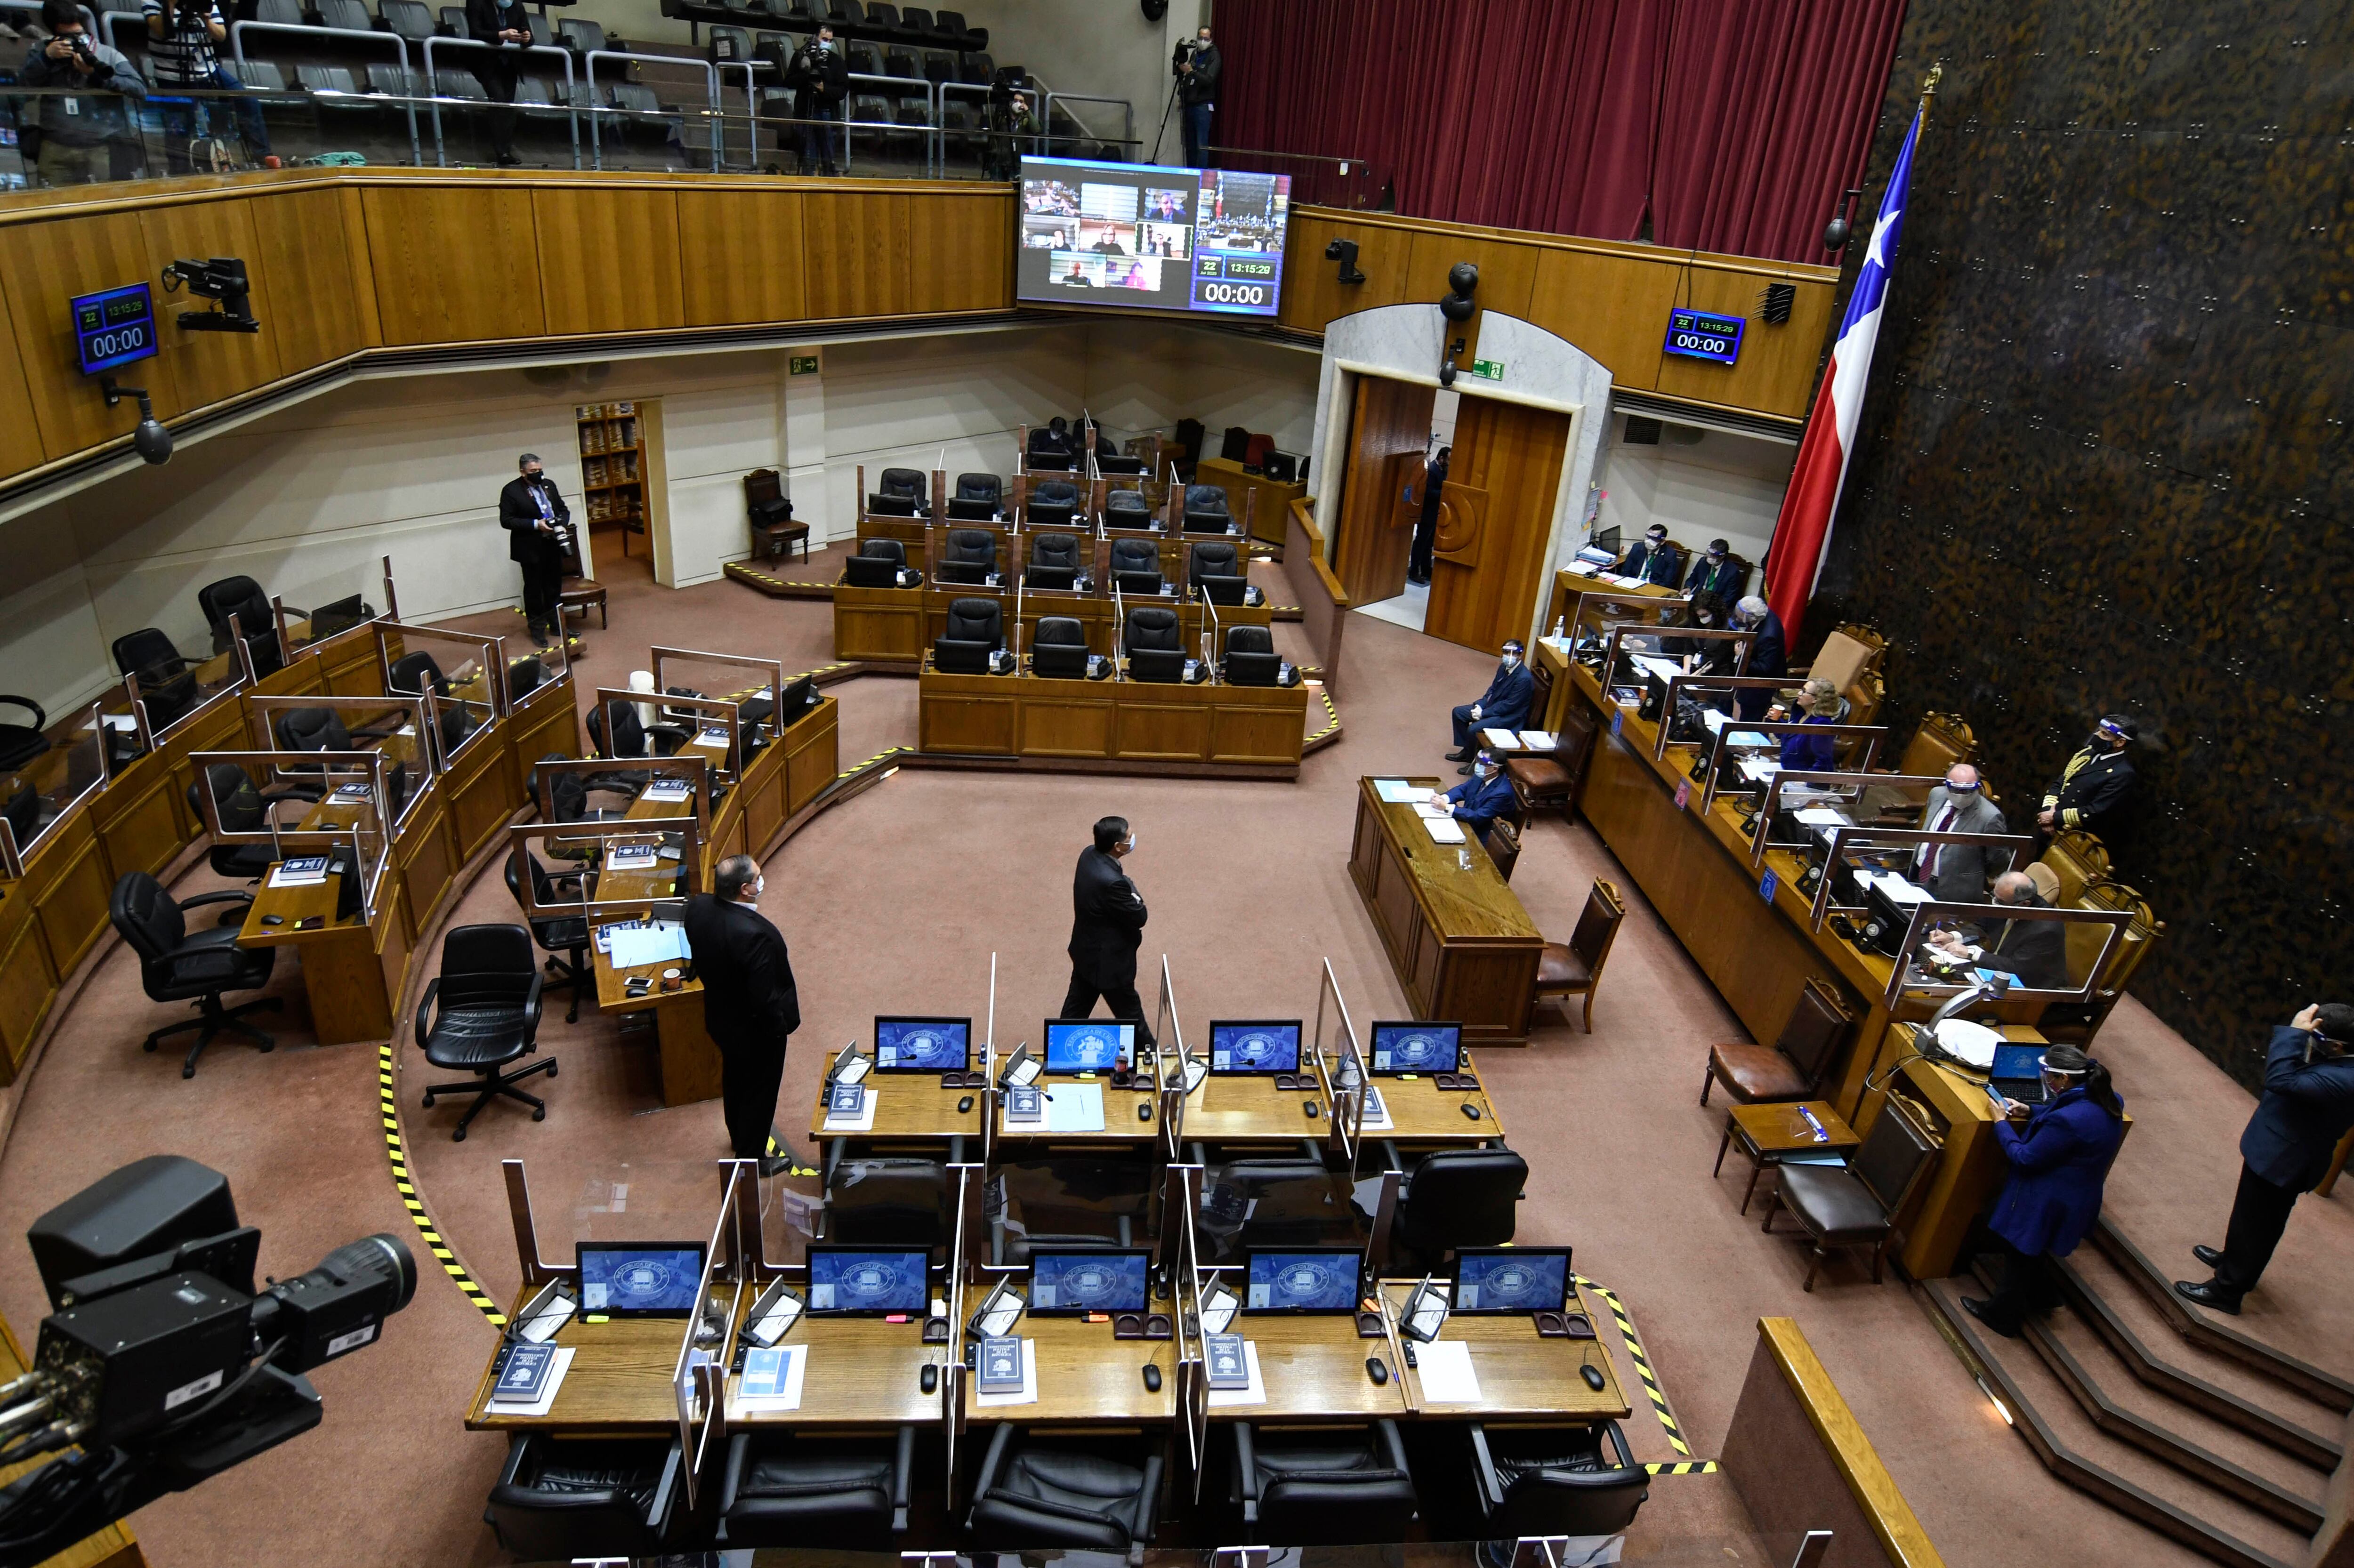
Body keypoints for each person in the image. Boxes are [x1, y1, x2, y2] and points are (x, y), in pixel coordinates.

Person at [2174, 1005, 2354, 1314]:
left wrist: (2296, 1034)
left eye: (2316, 1035)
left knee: (2259, 1225)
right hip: (2277, 1149)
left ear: (2337, 1045)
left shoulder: (2348, 1079)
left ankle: (2227, 1291)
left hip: (2287, 1160)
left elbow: (2281, 1080)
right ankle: (2234, 1261)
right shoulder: (2339, 1058)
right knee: (2250, 1216)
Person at [1960, 1043, 2126, 1337]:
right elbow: (2068, 1113)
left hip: (2048, 1197)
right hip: (2079, 1193)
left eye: (2049, 1075)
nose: (2046, 1081)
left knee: (2021, 1251)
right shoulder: (2108, 1098)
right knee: (2026, 1244)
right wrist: (2032, 1108)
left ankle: (2002, 1317)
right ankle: (2044, 1296)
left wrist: (2001, 1123)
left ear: (2064, 1079)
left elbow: (2025, 1157)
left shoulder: (2068, 1121)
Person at [683, 855, 805, 1176]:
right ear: (745, 890)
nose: (761, 881)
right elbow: (764, 997)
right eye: (758, 878)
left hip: (721, 1017)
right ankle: (752, 1159)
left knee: (735, 1077)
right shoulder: (754, 935)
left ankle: (738, 1134)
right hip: (755, 1031)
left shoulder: (698, 908)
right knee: (760, 1090)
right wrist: (778, 1028)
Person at [17, 1, 147, 187]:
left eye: (80, 34)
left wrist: (95, 76)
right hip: (55, 147)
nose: (77, 41)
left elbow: (139, 89)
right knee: (52, 206)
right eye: (68, 37)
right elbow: (23, 90)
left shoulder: (107, 54)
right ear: (55, 36)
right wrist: (46, 58)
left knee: (100, 204)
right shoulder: (41, 52)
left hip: (99, 147)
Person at [144, 0, 274, 172]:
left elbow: (221, 35)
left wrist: (206, 21)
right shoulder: (152, 2)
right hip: (172, 77)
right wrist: (171, 4)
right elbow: (160, 30)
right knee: (180, 127)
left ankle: (263, 157)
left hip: (208, 69)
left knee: (248, 102)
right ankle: (180, 173)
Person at [1062, 816, 1154, 1048]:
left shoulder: (1088, 854)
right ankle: (1153, 1057)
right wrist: (1132, 889)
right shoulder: (1113, 883)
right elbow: (1139, 916)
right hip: (1110, 965)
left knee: (1074, 1012)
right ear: (1117, 847)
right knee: (1133, 1018)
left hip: (1086, 952)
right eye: (1128, 838)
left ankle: (1059, 1051)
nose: (1132, 840)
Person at [1928, 871, 2071, 989]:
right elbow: (1981, 925)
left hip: (2027, 990)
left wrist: (1971, 953)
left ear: (2024, 904)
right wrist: (1953, 937)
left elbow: (2017, 969)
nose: (1994, 904)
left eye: (2000, 901)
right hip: (1990, 972)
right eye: (1994, 897)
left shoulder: (2046, 929)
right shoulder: (2007, 902)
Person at [498, 453, 570, 646]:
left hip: (553, 545)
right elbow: (507, 521)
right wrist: (536, 525)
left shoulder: (549, 485)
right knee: (534, 591)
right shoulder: (511, 491)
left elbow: (563, 509)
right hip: (530, 549)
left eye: (540, 470)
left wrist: (562, 523)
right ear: (523, 472)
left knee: (554, 587)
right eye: (533, 472)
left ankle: (557, 625)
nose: (538, 474)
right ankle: (538, 630)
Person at [1916, 764, 2011, 904]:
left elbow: (1999, 860)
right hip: (1920, 875)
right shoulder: (1937, 794)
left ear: (1977, 787)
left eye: (1967, 791)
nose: (1960, 796)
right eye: (1955, 790)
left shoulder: (1990, 817)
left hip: (1955, 891)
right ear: (1946, 784)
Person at [2039, 715, 2137, 839]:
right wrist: (2047, 812)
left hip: (2074, 836)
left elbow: (2095, 811)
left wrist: (2054, 818)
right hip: (2047, 826)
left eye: (2105, 734)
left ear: (2120, 742)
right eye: (2099, 730)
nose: (2097, 735)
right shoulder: (2087, 754)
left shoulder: (2123, 773)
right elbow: (2060, 783)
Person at [1448, 639, 1533, 772]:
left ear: (1521, 656)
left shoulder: (1524, 679)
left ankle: (1473, 761)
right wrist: (1480, 705)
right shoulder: (1503, 668)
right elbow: (1492, 690)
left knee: (1474, 729)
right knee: (1459, 713)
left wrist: (1483, 714)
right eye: (1506, 652)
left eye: (1513, 653)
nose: (1509, 656)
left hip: (1509, 717)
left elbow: (1509, 706)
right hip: (1492, 707)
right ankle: (1467, 751)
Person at [464, 0, 530, 167]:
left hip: (510, 64)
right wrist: (502, 35)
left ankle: (506, 151)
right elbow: (476, 32)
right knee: (499, 99)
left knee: (508, 107)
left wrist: (527, 38)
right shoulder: (476, 3)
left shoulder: (517, 6)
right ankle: (501, 152)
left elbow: (528, 34)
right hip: (486, 63)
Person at [787, 26, 848, 176]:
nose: (827, 43)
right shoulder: (801, 56)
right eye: (824, 39)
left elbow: (842, 91)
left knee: (828, 160)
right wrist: (806, 75)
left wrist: (823, 88)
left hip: (827, 114)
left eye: (830, 40)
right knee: (808, 159)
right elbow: (788, 82)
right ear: (815, 37)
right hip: (805, 112)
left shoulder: (836, 61)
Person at [1766, 677, 1843, 772]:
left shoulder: (1821, 724)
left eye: (1804, 691)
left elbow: (1823, 760)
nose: (1799, 693)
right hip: (1786, 769)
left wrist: (1805, 781)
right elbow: (1786, 737)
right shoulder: (1800, 714)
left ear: (1816, 699)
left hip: (1800, 777)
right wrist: (1775, 721)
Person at [1442, 750, 1516, 844]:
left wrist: (1446, 808)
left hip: (1481, 836)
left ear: (1494, 769)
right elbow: (1464, 789)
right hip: (1466, 820)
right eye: (1478, 761)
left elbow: (1478, 817)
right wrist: (1445, 798)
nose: (1477, 765)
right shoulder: (1482, 776)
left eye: (1482, 764)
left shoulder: (1502, 793)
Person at [1730, 595, 1786, 720]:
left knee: (1750, 718)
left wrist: (1741, 657)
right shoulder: (1763, 614)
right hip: (1751, 682)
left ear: (1752, 617)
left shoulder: (1769, 637)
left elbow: (1764, 668)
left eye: (1740, 616)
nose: (1738, 618)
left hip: (1761, 686)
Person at [1177, 22, 1220, 168]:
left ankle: (1201, 176)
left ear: (1211, 39)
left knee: (1201, 145)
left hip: (1203, 105)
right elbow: (1190, 78)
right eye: (1201, 38)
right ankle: (1190, 172)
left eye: (1206, 38)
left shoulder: (1214, 56)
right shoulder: (1196, 53)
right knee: (1190, 144)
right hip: (1190, 103)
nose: (1203, 41)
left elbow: (1209, 79)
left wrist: (1192, 72)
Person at [1407, 444, 1447, 586]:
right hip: (1426, 513)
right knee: (1421, 542)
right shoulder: (1432, 470)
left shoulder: (1443, 470)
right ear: (1441, 458)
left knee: (1429, 543)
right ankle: (1414, 571)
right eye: (1448, 460)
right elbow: (1428, 492)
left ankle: (1426, 569)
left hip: (1435, 513)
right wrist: (1445, 493)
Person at [1616, 524, 1681, 587]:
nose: (1649, 541)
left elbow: (1667, 581)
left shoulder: (1670, 554)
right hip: (1633, 583)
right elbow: (1625, 571)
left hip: (1653, 587)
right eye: (1648, 537)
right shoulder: (1637, 548)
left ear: (1662, 542)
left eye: (1654, 539)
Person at [1685, 538, 1742, 602]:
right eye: (1709, 553)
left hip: (1716, 604)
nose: (1710, 557)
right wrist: (1688, 588)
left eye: (1714, 555)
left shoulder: (1733, 572)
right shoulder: (1703, 562)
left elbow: (1728, 598)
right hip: (1697, 599)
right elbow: (1692, 579)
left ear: (1722, 556)